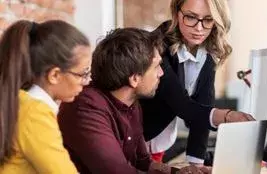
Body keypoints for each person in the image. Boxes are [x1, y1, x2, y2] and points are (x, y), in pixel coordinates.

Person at [58, 28, 211, 174]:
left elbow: (142, 162)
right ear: (135, 79)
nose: (161, 73)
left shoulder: (131, 103)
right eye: (157, 66)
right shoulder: (86, 107)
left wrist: (178, 172)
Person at [140, 0, 254, 165]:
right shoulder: (157, 44)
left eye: (208, 20)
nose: (199, 28)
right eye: (191, 17)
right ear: (176, 12)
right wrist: (227, 116)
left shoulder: (207, 52)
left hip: (159, 143)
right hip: (135, 138)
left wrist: (196, 162)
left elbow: (204, 102)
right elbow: (181, 104)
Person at [0, 20, 92, 173]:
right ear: (54, 75)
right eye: (82, 74)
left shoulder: (20, 101)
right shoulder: (34, 113)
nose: (87, 81)